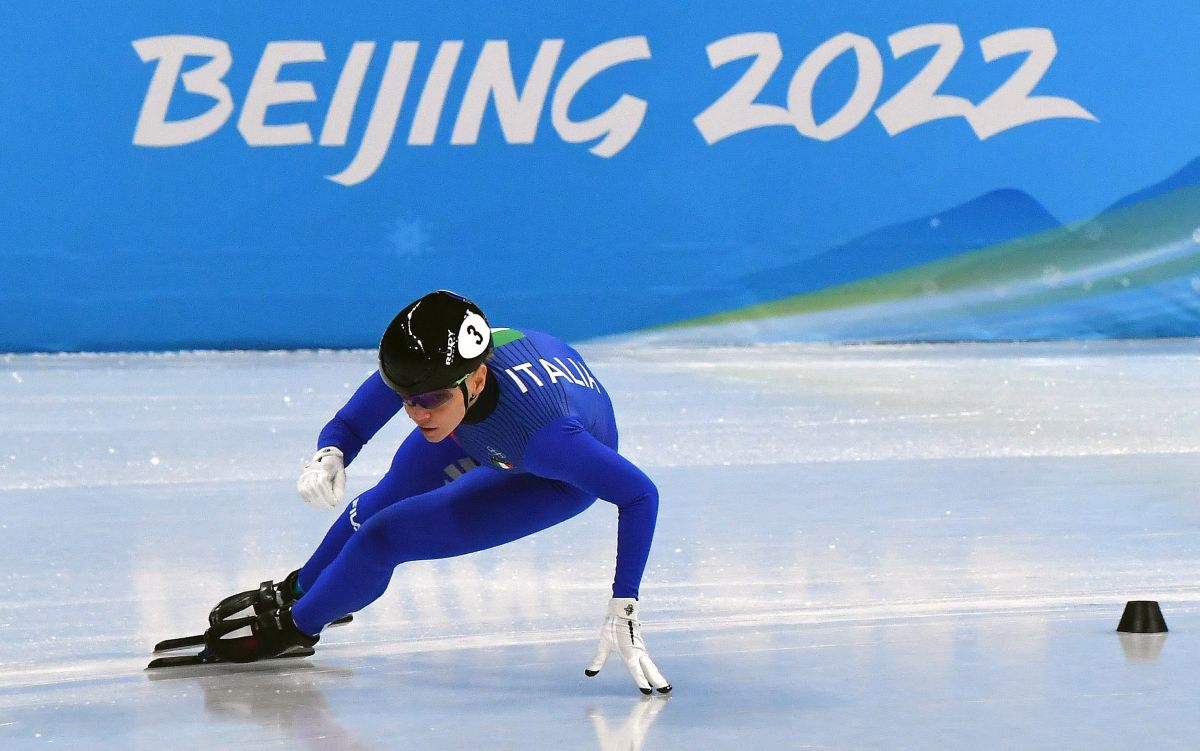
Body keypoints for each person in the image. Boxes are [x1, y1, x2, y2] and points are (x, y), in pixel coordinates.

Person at [204, 290, 671, 694]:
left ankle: (297, 628)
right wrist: (329, 453)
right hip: (482, 425)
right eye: (406, 398)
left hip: (551, 476)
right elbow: (351, 423)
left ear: (477, 380)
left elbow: (639, 495)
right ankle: (300, 588)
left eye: (429, 401)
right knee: (379, 500)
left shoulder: (551, 442)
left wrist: (623, 602)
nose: (416, 412)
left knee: (385, 538)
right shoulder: (431, 369)